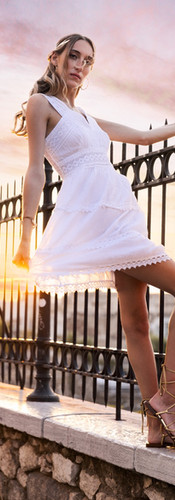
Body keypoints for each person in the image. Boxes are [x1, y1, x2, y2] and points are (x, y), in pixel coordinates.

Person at [13, 33, 175, 447]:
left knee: (136, 321)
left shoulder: (87, 117)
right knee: (135, 319)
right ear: (57, 58)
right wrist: (25, 235)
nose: (80, 65)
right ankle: (169, 402)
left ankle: (157, 425)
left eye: (88, 60)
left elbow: (142, 137)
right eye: (74, 56)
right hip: (97, 221)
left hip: (121, 217)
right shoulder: (41, 105)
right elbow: (35, 171)